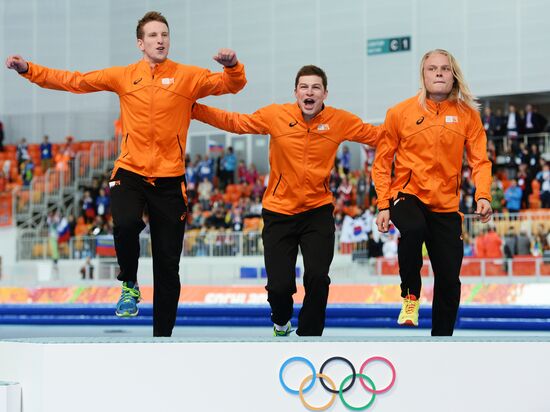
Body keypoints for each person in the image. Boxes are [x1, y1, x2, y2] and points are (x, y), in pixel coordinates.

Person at [6, 11, 247, 337]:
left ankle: (162, 336)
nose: (160, 40)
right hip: (130, 170)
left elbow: (231, 86)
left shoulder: (187, 77)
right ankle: (129, 283)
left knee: (167, 264)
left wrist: (232, 66)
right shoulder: (123, 76)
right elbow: (75, 81)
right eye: (153, 35)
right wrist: (28, 70)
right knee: (126, 222)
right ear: (140, 43)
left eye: (164, 34)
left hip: (170, 179)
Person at [192, 65, 380, 336]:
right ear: (295, 92)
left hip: (317, 211)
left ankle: (310, 336)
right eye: (304, 87)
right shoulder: (275, 115)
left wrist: (413, 126)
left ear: (325, 93)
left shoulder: (340, 121)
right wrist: (195, 109)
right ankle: (281, 321)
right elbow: (235, 122)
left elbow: (378, 136)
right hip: (279, 212)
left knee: (317, 278)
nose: (309, 92)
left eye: (316, 87)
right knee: (279, 287)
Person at [372, 49, 493, 336]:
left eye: (445, 69)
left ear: (453, 76)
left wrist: (483, 195)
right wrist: (383, 205)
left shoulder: (468, 117)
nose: (439, 73)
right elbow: (381, 162)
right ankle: (411, 297)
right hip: (407, 194)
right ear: (423, 75)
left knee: (450, 280)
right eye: (432, 69)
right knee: (412, 229)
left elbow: (480, 161)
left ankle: (442, 340)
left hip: (446, 206)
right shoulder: (400, 113)